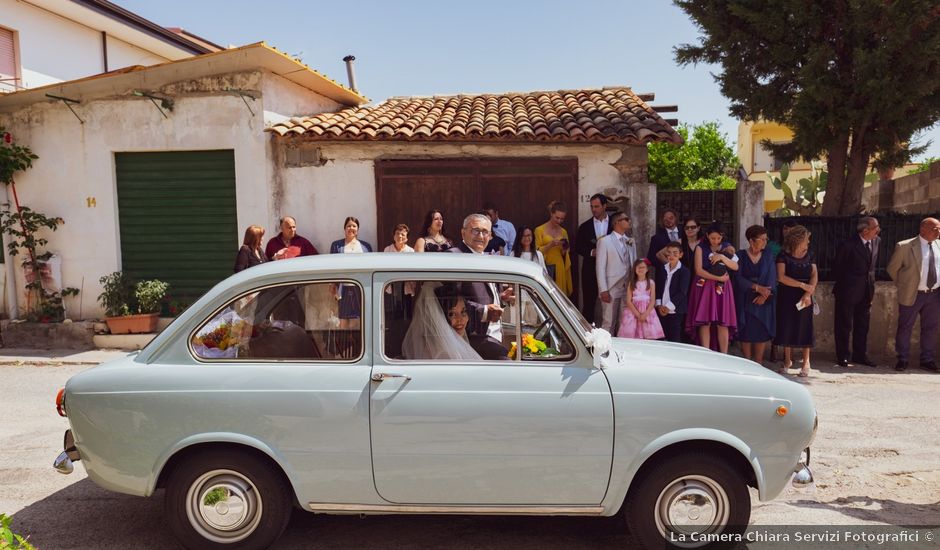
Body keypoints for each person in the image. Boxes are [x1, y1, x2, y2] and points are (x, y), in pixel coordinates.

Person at [448, 213, 512, 359]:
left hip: (494, 335)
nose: (481, 236)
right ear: (463, 233)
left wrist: (501, 297)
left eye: (485, 232)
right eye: (476, 230)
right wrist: (483, 311)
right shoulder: (454, 257)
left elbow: (482, 294)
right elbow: (448, 298)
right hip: (472, 339)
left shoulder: (487, 257)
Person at [886, 217, 940, 372]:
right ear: (923, 229)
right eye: (935, 229)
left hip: (934, 295)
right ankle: (902, 359)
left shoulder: (939, 245)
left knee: (930, 327)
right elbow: (892, 269)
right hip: (913, 293)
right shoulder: (905, 246)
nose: (938, 232)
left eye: (939, 229)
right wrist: (904, 285)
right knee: (905, 326)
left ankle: (927, 360)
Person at [832, 216, 881, 368]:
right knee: (844, 325)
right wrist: (848, 285)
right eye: (875, 228)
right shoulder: (848, 244)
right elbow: (838, 267)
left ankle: (860, 355)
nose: (878, 231)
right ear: (865, 230)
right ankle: (843, 355)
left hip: (867, 291)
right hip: (848, 290)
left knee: (863, 325)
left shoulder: (877, 241)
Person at [687, 223, 739, 353]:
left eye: (718, 238)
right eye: (713, 238)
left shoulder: (728, 248)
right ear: (707, 236)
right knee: (705, 321)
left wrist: (722, 257)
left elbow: (735, 266)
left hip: (722, 288)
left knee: (723, 321)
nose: (716, 241)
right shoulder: (700, 248)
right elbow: (698, 270)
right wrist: (718, 278)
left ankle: (724, 354)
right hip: (704, 286)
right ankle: (706, 354)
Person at [774, 225, 817, 377]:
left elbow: (814, 274)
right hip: (787, 294)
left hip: (805, 295)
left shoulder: (810, 254)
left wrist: (808, 292)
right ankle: (787, 361)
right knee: (787, 325)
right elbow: (781, 277)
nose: (808, 242)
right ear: (798, 240)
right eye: (806, 239)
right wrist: (801, 285)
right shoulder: (783, 255)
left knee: (806, 326)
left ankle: (806, 362)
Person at [401, 282, 481, 361]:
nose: (460, 319)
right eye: (452, 314)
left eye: (463, 312)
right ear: (439, 316)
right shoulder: (443, 355)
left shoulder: (449, 346)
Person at [733, 225, 777, 369]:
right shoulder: (740, 255)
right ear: (751, 241)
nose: (765, 242)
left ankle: (758, 364)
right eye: (762, 239)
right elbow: (737, 278)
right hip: (745, 298)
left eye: (766, 239)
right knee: (746, 332)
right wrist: (756, 288)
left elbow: (771, 277)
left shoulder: (768, 255)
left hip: (764, 300)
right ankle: (747, 363)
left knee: (761, 333)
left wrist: (764, 295)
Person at [329, 217, 373, 329]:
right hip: (343, 287)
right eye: (348, 226)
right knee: (343, 318)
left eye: (354, 226)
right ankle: (345, 345)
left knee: (359, 318)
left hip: (360, 287)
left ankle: (358, 344)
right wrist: (332, 283)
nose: (351, 228)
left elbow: (370, 265)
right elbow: (331, 265)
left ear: (357, 229)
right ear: (344, 229)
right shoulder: (336, 245)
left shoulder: (365, 246)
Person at [596, 212, 636, 334]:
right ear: (616, 222)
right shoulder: (605, 241)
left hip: (627, 287)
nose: (629, 221)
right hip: (611, 287)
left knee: (625, 322)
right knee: (609, 322)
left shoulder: (630, 241)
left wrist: (634, 286)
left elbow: (633, 263)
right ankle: (605, 349)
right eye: (626, 219)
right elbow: (600, 267)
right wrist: (603, 289)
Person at [575, 193, 612, 324]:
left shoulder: (614, 223)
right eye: (592, 207)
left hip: (611, 270)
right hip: (590, 270)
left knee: (611, 305)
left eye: (596, 206)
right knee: (589, 303)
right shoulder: (585, 226)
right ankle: (587, 334)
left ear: (604, 206)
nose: (594, 209)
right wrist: (592, 252)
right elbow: (578, 247)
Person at [618, 259, 665, 340]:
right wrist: (638, 315)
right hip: (633, 312)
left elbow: (652, 300)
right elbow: (629, 301)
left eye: (643, 267)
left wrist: (645, 314)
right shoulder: (631, 283)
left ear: (647, 269)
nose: (640, 269)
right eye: (638, 267)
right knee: (632, 336)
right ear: (635, 269)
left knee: (648, 335)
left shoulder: (651, 283)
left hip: (647, 312)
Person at [535, 200, 573, 296]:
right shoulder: (539, 230)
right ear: (551, 214)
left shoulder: (563, 231)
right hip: (545, 266)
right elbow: (536, 251)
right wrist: (550, 245)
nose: (559, 221)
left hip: (559, 266)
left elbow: (567, 252)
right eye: (557, 218)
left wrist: (564, 250)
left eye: (562, 219)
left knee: (560, 295)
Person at [655, 242, 690, 343]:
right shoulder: (663, 269)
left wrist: (668, 307)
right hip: (661, 308)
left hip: (676, 310)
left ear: (681, 254)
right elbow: (659, 287)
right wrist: (659, 305)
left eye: (675, 253)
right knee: (661, 336)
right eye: (669, 253)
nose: (671, 256)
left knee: (674, 336)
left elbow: (682, 292)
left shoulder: (684, 271)